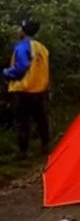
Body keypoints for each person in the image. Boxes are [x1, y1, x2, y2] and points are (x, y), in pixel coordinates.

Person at [3, 20, 50, 159]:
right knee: (41, 119)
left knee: (23, 122)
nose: (18, 30)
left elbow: (22, 67)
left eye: (20, 28)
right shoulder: (42, 48)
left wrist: (6, 72)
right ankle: (46, 145)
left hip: (23, 89)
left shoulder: (22, 47)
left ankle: (23, 152)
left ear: (24, 31)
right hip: (39, 89)